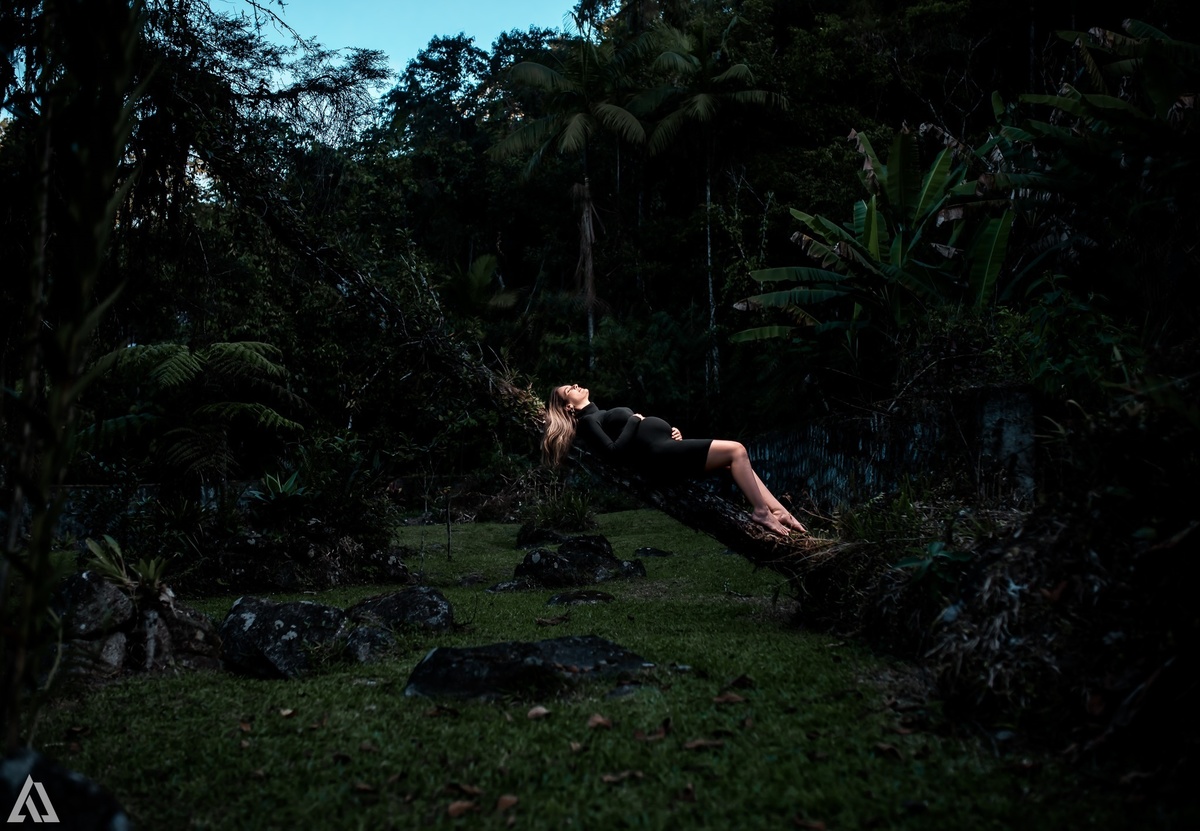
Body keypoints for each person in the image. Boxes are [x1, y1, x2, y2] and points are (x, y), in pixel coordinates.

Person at [542, 383, 806, 536]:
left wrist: (669, 431)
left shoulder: (601, 414)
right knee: (737, 450)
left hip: (665, 447)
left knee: (733, 463)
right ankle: (761, 512)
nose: (576, 386)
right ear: (568, 406)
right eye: (570, 389)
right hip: (659, 458)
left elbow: (635, 436)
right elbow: (614, 453)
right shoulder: (589, 421)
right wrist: (636, 419)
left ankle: (779, 511)